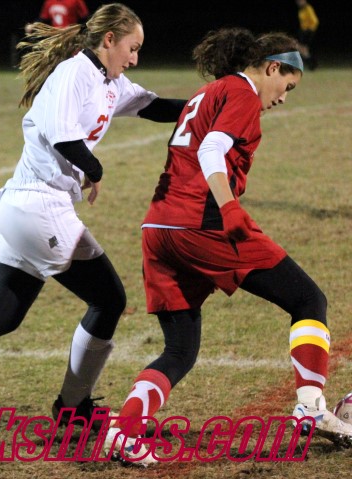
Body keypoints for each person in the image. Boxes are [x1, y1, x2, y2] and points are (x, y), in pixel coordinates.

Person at [0, 3, 186, 435]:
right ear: (109, 40)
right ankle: (73, 408)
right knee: (108, 300)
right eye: (132, 48)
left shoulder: (109, 82)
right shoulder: (74, 73)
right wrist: (94, 170)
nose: (135, 59)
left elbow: (153, 105)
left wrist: (209, 104)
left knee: (1, 314)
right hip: (39, 208)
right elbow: (61, 136)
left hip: (23, 210)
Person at [103, 27, 352, 464]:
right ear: (271, 68)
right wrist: (230, 208)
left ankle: (123, 433)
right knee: (308, 299)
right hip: (202, 225)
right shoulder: (241, 92)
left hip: (158, 228)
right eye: (287, 86)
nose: (283, 98)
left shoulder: (209, 92)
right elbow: (211, 149)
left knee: (180, 350)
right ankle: (311, 407)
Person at [25, 0, 90, 34]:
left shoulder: (76, 1)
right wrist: (33, 25)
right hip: (55, 36)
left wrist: (78, 30)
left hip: (71, 35)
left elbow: (85, 18)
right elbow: (43, 19)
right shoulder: (49, 2)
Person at [295, 0, 319, 70]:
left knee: (302, 49)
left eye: (300, 1)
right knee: (303, 49)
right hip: (302, 31)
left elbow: (315, 21)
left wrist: (310, 30)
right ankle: (313, 64)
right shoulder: (301, 10)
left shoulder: (308, 8)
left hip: (308, 31)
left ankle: (313, 64)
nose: (299, 3)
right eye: (298, 1)